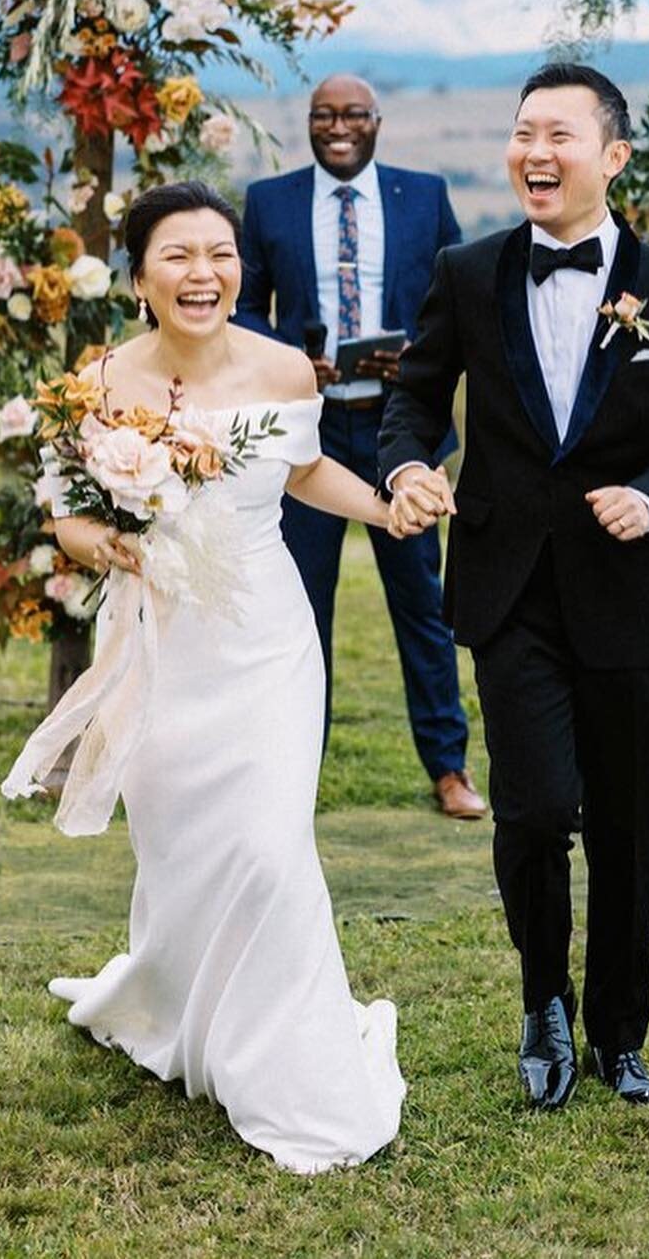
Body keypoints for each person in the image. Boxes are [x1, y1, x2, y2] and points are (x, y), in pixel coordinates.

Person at [2, 180, 406, 1174]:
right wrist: (105, 542)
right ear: (138, 276)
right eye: (177, 255)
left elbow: (306, 471)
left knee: (270, 848)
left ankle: (292, 1068)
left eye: (219, 253)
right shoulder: (98, 379)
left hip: (266, 635)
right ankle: (182, 1002)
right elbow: (65, 514)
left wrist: (387, 506)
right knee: (184, 848)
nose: (203, 272)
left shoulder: (281, 366)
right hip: (159, 639)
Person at [378, 62, 649, 1112]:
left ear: (612, 156)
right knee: (532, 807)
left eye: (559, 135)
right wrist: (405, 466)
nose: (535, 152)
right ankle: (542, 998)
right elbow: (415, 398)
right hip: (508, 585)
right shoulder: (466, 268)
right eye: (522, 132)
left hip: (623, 589)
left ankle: (621, 1033)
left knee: (628, 822)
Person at [235, 73, 486, 821]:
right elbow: (244, 305)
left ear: (377, 122)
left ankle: (448, 766)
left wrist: (415, 351)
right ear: (307, 123)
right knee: (300, 610)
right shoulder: (269, 201)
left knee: (422, 605)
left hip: (398, 433)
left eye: (351, 114)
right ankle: (291, 772)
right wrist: (284, 355)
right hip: (304, 434)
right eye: (323, 115)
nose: (336, 126)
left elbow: (458, 302)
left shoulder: (424, 193)